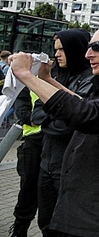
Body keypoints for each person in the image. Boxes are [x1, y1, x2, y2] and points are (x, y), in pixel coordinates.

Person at [9, 26, 99, 237]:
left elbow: (88, 114)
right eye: (89, 47)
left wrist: (25, 75)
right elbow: (84, 103)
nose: (89, 54)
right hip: (81, 209)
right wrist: (47, 79)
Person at [31, 29, 95, 236]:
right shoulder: (56, 76)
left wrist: (50, 117)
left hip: (71, 168)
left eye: (62, 49)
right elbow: (36, 114)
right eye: (55, 49)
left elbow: (67, 125)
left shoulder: (90, 81)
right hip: (47, 164)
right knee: (46, 222)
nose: (57, 54)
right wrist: (53, 117)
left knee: (66, 226)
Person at [8, 87, 43, 237]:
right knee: (28, 189)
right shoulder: (26, 83)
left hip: (55, 139)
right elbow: (22, 112)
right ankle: (20, 229)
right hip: (33, 142)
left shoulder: (58, 78)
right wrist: (42, 118)